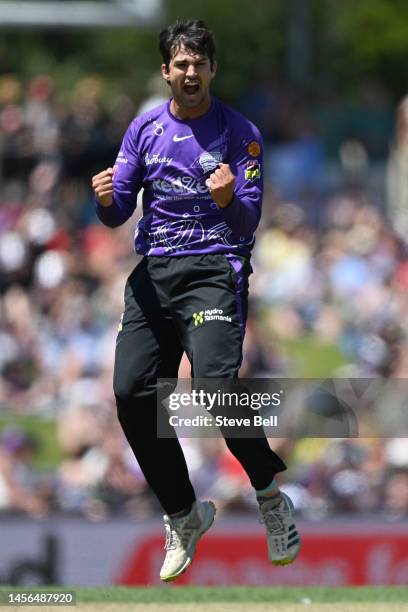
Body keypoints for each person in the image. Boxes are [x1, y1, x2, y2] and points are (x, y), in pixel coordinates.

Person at [92, 19, 300, 582]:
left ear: (212, 69)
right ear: (166, 71)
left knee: (215, 391)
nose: (190, 73)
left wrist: (229, 197)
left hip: (213, 271)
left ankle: (269, 496)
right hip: (154, 273)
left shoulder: (240, 132)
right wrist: (107, 201)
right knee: (130, 393)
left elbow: (249, 217)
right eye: (180, 65)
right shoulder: (144, 129)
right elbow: (118, 213)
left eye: (198, 64)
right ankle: (184, 513)